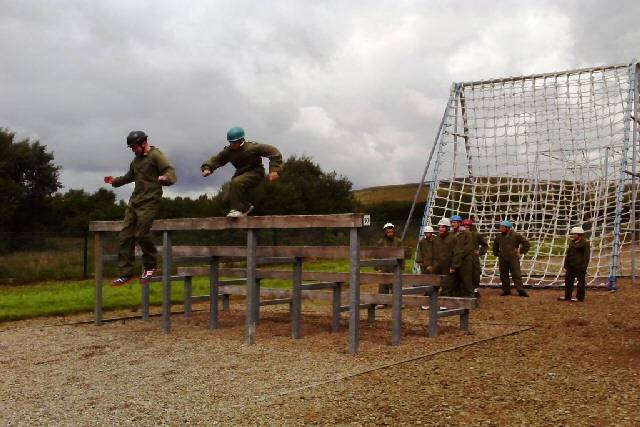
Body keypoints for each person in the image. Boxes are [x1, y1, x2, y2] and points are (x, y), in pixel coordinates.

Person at [104, 131, 177, 286]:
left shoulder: (156, 155)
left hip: (150, 201)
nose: (133, 150)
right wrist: (114, 181)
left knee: (141, 233)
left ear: (144, 143)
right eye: (131, 148)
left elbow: (169, 170)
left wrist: (166, 178)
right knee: (125, 236)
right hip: (135, 201)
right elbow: (129, 176)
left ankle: (150, 267)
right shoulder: (136, 161)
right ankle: (125, 274)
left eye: (134, 147)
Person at [201, 127, 283, 217]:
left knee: (237, 182)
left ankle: (237, 210)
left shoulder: (252, 147)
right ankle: (246, 207)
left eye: (234, 142)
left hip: (255, 172)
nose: (232, 145)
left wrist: (274, 170)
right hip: (240, 173)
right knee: (227, 198)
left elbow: (273, 151)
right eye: (230, 142)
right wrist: (207, 168)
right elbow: (217, 159)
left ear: (241, 140)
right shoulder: (229, 151)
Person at [492, 220, 530, 297]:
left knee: (516, 274)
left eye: (502, 227)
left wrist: (520, 251)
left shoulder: (516, 235)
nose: (500, 228)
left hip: (513, 258)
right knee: (503, 274)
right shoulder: (498, 236)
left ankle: (520, 290)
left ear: (508, 228)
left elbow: (526, 243)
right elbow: (495, 246)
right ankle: (506, 290)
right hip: (502, 258)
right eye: (500, 227)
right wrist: (497, 253)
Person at [375, 222, 403, 308]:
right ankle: (382, 302)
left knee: (396, 284)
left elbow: (402, 254)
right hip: (384, 266)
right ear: (385, 232)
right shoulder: (380, 242)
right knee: (383, 284)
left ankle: (398, 302)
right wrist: (378, 267)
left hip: (395, 266)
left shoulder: (398, 241)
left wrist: (401, 266)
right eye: (388, 231)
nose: (390, 233)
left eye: (391, 231)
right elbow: (377, 255)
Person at [559, 226, 590, 302]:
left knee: (580, 282)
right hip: (570, 265)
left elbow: (586, 256)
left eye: (574, 234)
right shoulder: (572, 242)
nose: (573, 235)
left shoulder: (585, 243)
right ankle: (567, 296)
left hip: (579, 266)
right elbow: (568, 254)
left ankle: (579, 298)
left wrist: (584, 266)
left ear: (579, 234)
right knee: (568, 281)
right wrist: (565, 264)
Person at [450, 215, 475, 297]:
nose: (453, 224)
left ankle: (471, 296)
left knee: (466, 278)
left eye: (454, 222)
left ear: (459, 223)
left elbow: (468, 247)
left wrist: (459, 255)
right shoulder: (451, 234)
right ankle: (457, 296)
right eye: (452, 222)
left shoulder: (466, 233)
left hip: (465, 260)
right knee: (455, 279)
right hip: (454, 260)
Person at [463, 218, 488, 298]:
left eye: (468, 226)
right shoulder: (460, 235)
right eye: (465, 226)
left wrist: (480, 252)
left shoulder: (477, 235)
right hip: (463, 257)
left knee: (475, 274)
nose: (466, 228)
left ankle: (476, 290)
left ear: (471, 226)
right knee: (465, 274)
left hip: (474, 258)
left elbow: (485, 244)